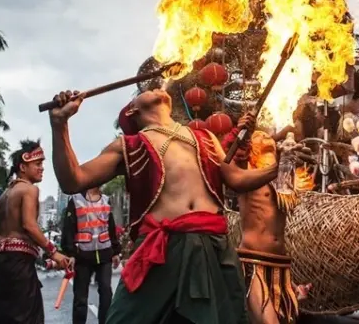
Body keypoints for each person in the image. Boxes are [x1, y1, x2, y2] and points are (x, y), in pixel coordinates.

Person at [49, 86, 278, 324]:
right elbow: (73, 180)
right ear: (132, 111)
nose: (157, 86)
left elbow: (236, 179)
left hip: (213, 248)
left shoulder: (205, 137)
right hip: (159, 252)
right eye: (147, 90)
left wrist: (275, 167)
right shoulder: (130, 145)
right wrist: (59, 125)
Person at [0, 140, 71, 324]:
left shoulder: (5, 194)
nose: (42, 169)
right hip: (18, 265)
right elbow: (29, 225)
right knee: (27, 319)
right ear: (23, 167)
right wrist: (54, 252)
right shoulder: (30, 190)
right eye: (38, 164)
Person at [236, 131, 313, 324]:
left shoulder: (284, 180)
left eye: (268, 135)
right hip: (253, 263)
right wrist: (245, 129)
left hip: (280, 264)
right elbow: (235, 157)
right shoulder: (247, 175)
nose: (265, 136)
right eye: (258, 136)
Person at [61, 185, 122, 324]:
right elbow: (69, 228)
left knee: (106, 292)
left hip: (105, 253)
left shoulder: (106, 200)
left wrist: (116, 251)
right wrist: (70, 253)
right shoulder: (76, 201)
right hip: (83, 255)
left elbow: (110, 227)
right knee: (80, 299)